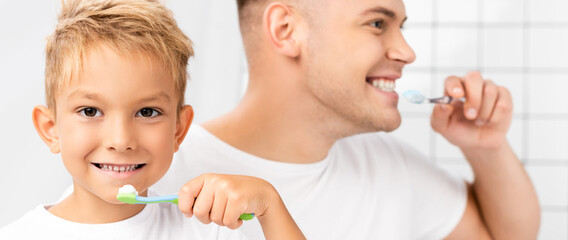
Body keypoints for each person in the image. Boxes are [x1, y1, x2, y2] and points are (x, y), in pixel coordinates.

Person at [152, 0, 541, 239]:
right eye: (377, 23)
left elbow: (504, 236)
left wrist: (486, 148)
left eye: (400, 26)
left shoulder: (390, 169)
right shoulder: (156, 176)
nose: (407, 52)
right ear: (286, 30)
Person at [0, 0, 305, 239]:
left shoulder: (209, 230)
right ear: (50, 129)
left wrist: (269, 206)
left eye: (147, 112)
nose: (121, 140)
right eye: (90, 111)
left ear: (178, 129)